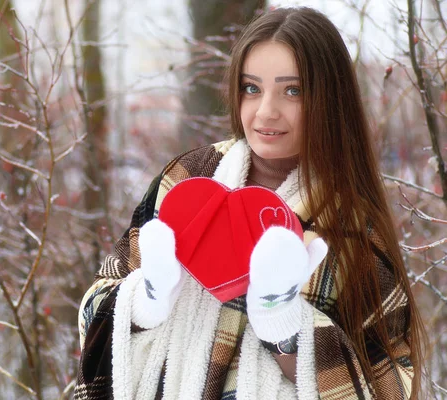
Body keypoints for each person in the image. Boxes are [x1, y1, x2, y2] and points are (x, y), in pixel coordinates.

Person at [73, 6, 425, 400]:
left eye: (293, 90)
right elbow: (96, 303)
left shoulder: (350, 229)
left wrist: (286, 327)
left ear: (330, 99)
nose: (265, 111)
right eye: (252, 88)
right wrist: (148, 297)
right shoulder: (188, 180)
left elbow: (389, 384)